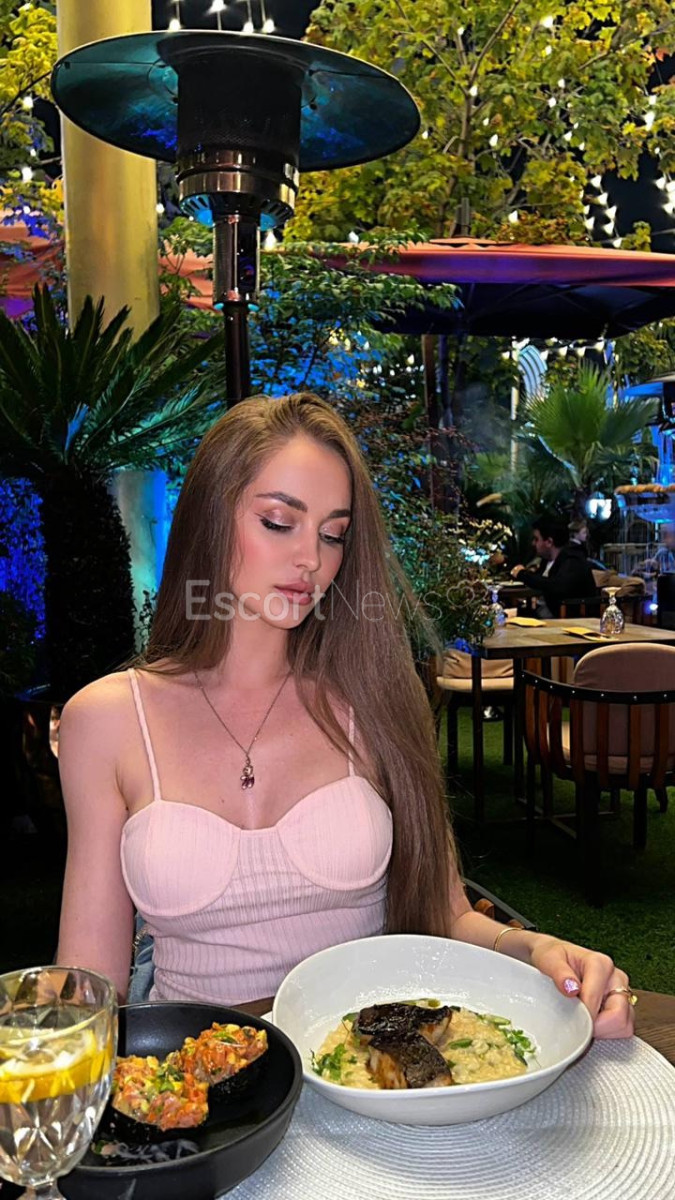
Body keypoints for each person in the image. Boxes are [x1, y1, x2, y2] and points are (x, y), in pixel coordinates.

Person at [56, 394, 634, 1040]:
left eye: (333, 534)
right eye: (279, 522)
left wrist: (535, 949)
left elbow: (446, 912)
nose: (312, 559)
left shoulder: (374, 698)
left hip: (365, 1069)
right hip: (191, 1079)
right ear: (208, 518)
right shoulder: (108, 719)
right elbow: (87, 986)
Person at [510, 515, 598, 618]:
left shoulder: (572, 560)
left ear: (549, 542)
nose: (533, 543)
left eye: (536, 539)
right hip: (543, 613)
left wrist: (523, 574)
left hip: (566, 618)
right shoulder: (547, 560)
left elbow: (556, 586)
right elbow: (539, 581)